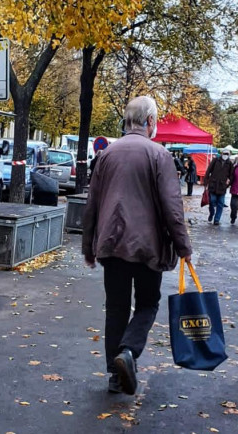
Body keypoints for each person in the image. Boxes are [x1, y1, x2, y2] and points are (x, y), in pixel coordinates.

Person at [82, 96, 192, 395]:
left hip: (111, 243)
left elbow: (91, 204)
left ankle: (116, 377)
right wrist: (183, 246)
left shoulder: (106, 155)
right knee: (147, 303)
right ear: (151, 122)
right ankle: (128, 352)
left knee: (116, 307)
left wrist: (88, 247)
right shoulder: (159, 156)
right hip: (148, 246)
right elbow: (172, 208)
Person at [204, 149, 233, 225]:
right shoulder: (215, 160)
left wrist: (228, 183)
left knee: (220, 203)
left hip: (222, 186)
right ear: (221, 153)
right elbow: (208, 170)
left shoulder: (229, 163)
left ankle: (217, 219)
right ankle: (212, 213)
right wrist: (205, 182)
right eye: (224, 153)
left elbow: (231, 175)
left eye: (227, 154)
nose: (225, 155)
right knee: (212, 201)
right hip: (213, 184)